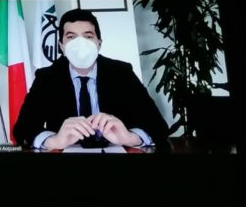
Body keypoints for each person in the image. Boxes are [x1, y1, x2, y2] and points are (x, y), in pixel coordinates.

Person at [12, 8, 170, 150]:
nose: (80, 43)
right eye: (71, 37)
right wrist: (54, 141)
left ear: (99, 44)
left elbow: (158, 126)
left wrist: (129, 138)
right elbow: (22, 131)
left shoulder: (122, 73)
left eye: (88, 36)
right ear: (61, 46)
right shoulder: (47, 78)